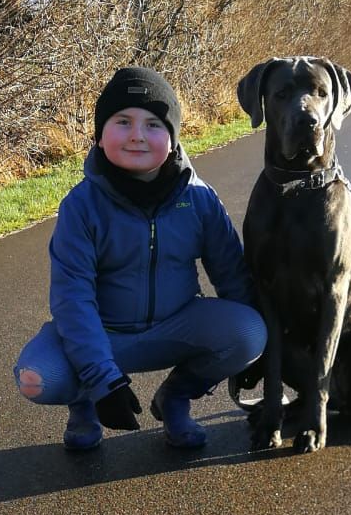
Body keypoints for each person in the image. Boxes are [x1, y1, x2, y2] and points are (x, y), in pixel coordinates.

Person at [14, 66, 266, 451]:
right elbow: (72, 299)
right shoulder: (80, 207)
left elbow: (233, 276)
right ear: (99, 136)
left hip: (176, 326)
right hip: (103, 333)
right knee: (37, 377)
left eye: (153, 124)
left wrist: (255, 356)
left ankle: (175, 397)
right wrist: (102, 380)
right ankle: (84, 405)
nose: (137, 135)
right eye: (122, 122)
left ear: (173, 137)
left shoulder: (199, 199)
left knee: (250, 332)